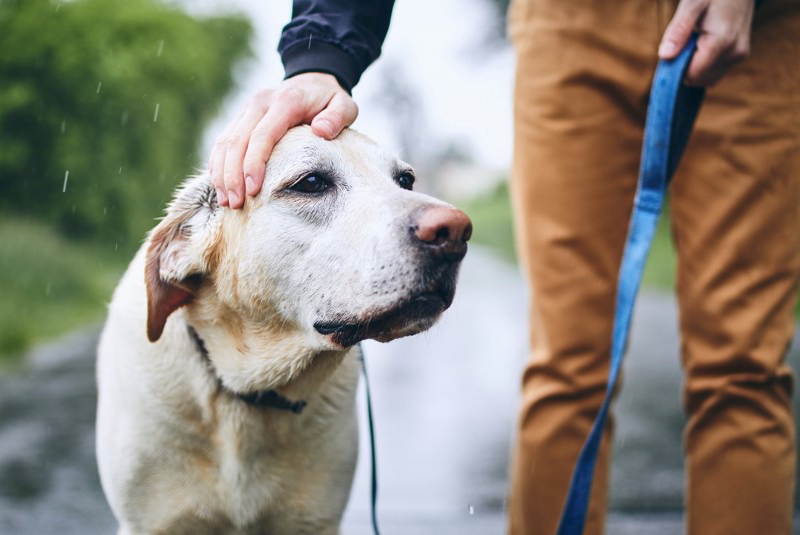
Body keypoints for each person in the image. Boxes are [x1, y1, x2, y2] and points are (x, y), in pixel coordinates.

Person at [208, 1, 800, 534]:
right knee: (568, 365)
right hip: (572, 22)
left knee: (741, 368)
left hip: (759, 25)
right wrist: (321, 53)